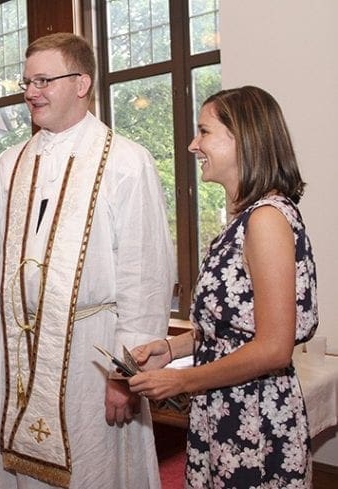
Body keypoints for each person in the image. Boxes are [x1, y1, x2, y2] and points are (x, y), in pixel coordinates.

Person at [0, 32, 175, 489]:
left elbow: (145, 275)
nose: (31, 92)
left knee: (93, 469)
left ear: (81, 83)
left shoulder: (127, 161)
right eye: (27, 81)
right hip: (19, 347)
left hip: (92, 355)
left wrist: (126, 374)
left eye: (43, 80)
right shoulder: (11, 161)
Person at [127, 86, 319, 488]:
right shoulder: (246, 218)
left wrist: (181, 381)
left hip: (254, 418)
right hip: (225, 406)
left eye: (205, 131)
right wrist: (171, 348)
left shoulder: (266, 220)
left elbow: (273, 347)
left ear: (244, 140)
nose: (193, 144)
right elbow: (232, 328)